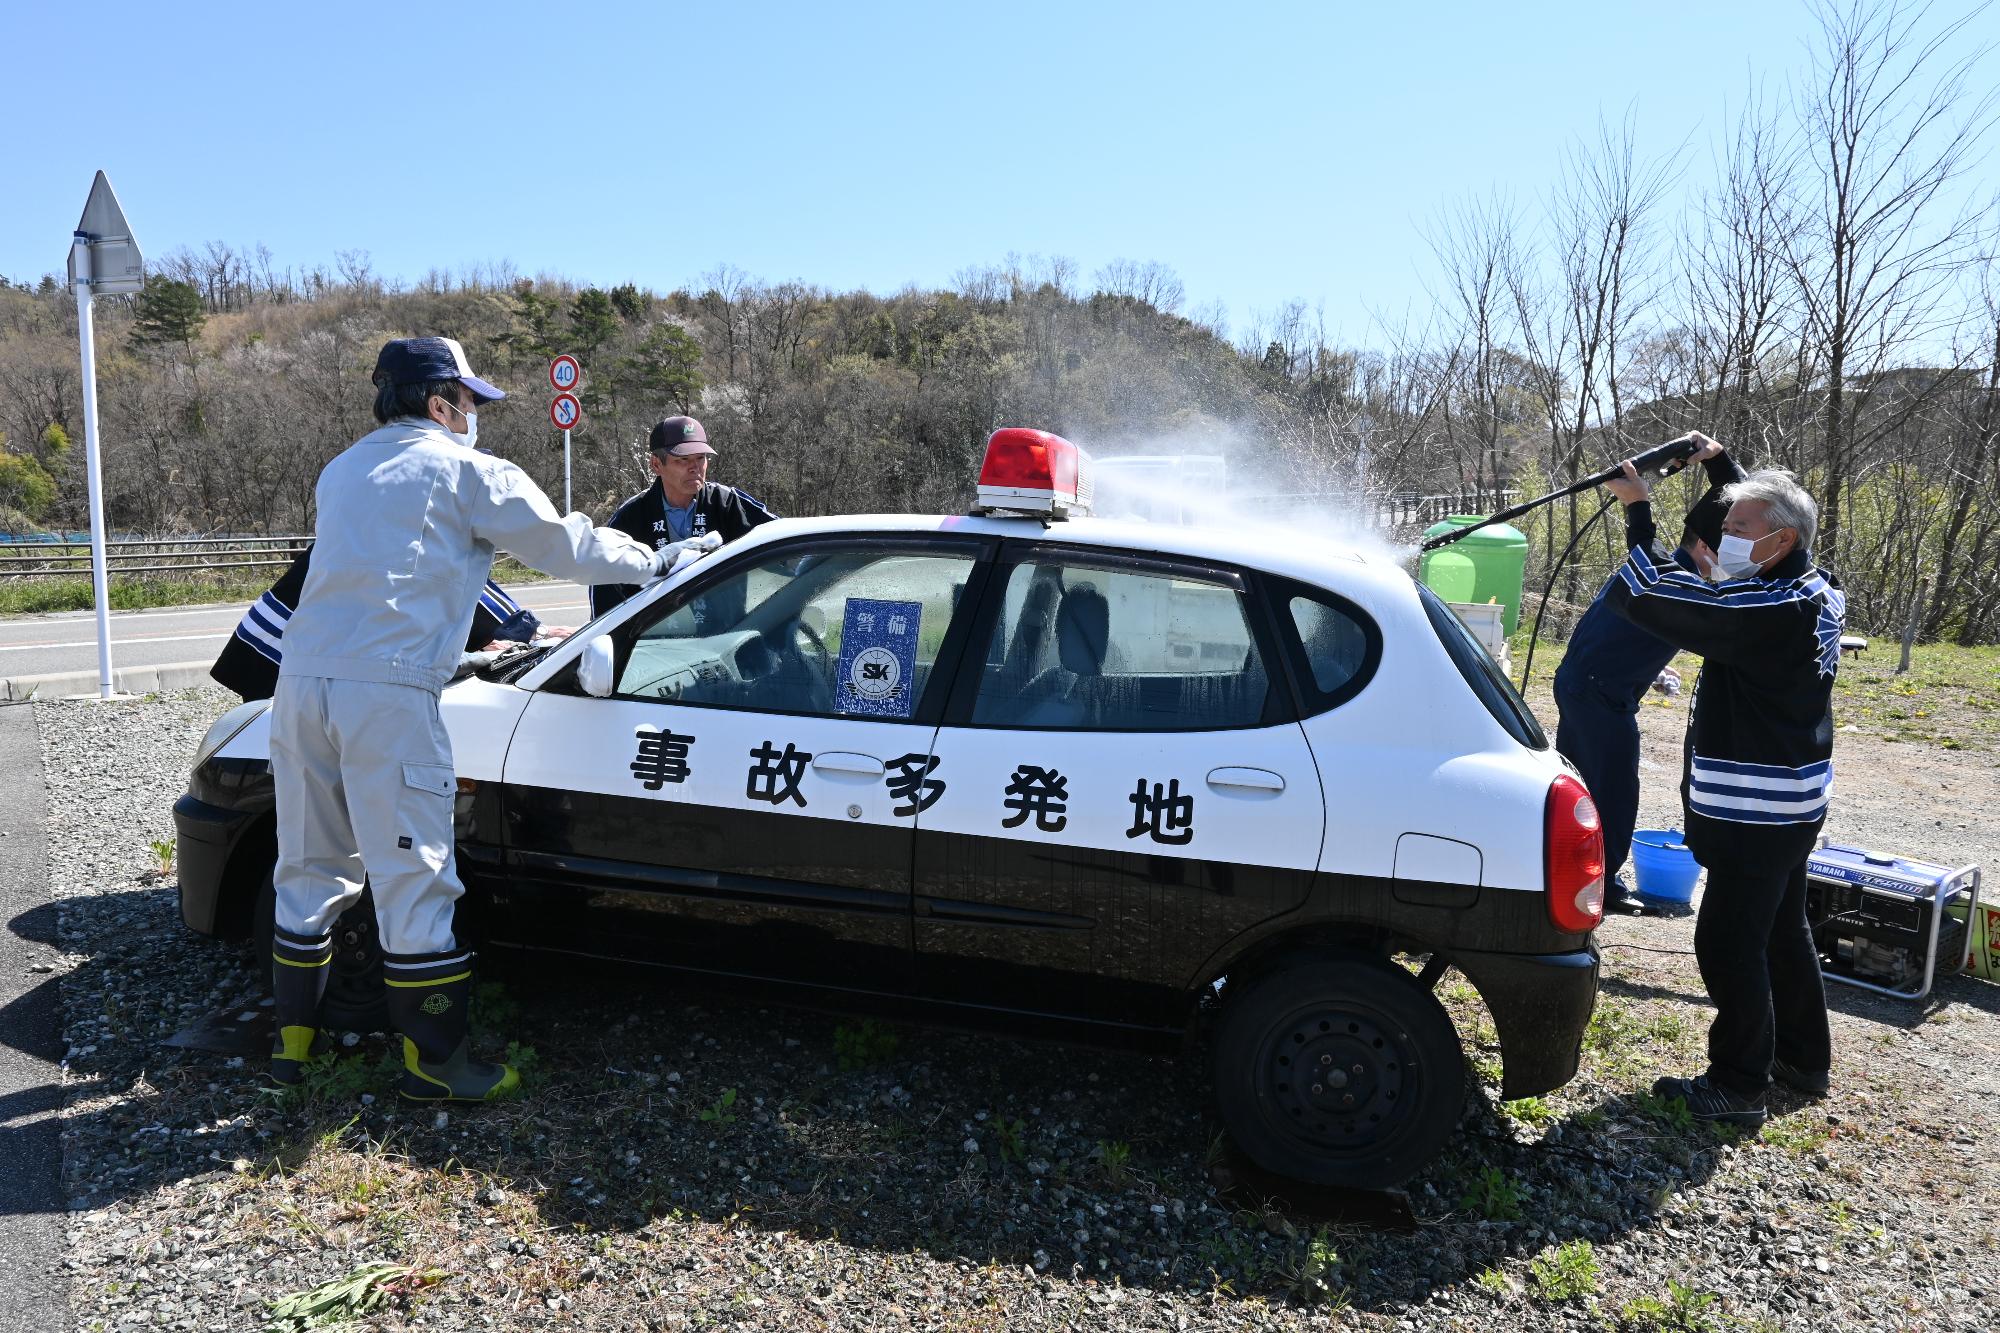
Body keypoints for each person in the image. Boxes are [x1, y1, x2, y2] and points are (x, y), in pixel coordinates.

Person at [268, 337, 708, 1101]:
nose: (474, 414)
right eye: (469, 400)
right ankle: (435, 1063)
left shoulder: (339, 470)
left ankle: (293, 1047)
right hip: (389, 693)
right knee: (415, 877)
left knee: (309, 866)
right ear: (440, 402)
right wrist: (658, 561)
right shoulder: (465, 469)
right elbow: (563, 547)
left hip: (300, 683)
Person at [1602, 444, 1846, 1127]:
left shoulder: (1773, 611)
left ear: (1782, 539)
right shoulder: (1808, 590)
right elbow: (1730, 598)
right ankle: (1803, 1057)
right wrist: (1723, 483)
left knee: (1728, 941)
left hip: (1758, 813)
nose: (1721, 541)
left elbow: (1655, 597)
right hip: (1793, 802)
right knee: (1782, 928)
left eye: (1736, 530)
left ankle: (1738, 1082)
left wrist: (1640, 514)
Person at [1553, 438, 1745, 911]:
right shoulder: (1667, 576)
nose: (1740, 564)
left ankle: (1571, 870)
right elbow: (1645, 543)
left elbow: (1741, 503)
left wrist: (1717, 460)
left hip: (1587, 684)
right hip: (1597, 693)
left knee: (1582, 782)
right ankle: (1604, 884)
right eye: (1733, 552)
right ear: (1705, 546)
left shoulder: (1672, 562)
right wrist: (1637, 504)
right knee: (1613, 792)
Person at [210, 545, 560, 702]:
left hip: (277, 637)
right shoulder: (423, 521)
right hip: (282, 648)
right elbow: (460, 586)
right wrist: (530, 631)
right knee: (271, 766)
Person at [588, 415, 777, 617]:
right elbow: (604, 585)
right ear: (656, 464)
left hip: (723, 638)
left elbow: (782, 540)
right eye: (683, 460)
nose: (694, 467)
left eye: (700, 458)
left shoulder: (727, 503)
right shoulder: (631, 516)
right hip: (656, 641)